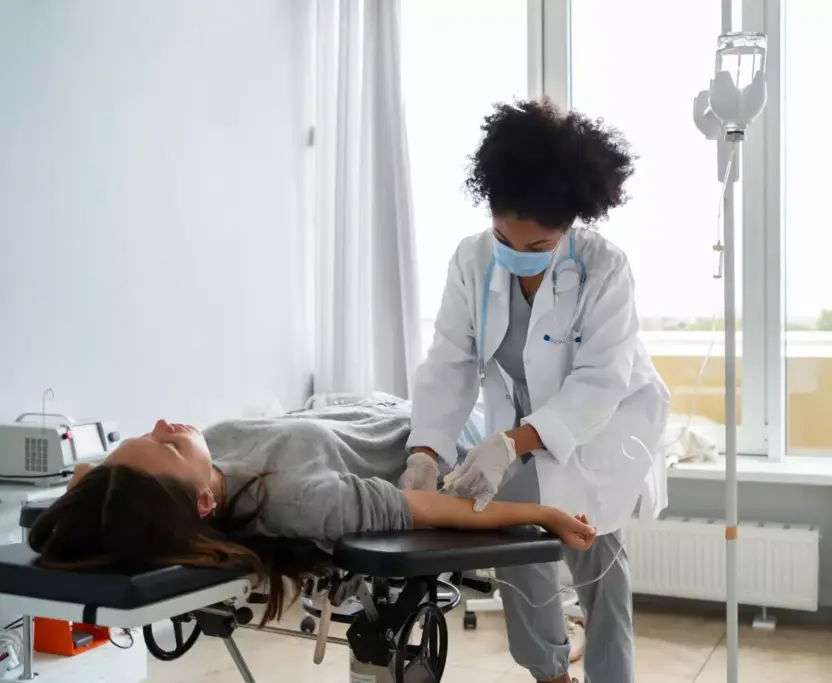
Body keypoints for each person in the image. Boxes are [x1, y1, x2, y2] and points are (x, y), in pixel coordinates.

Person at [400, 99, 671, 683]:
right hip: (519, 419)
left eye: (536, 247)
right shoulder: (472, 261)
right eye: (503, 237)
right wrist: (426, 451)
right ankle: (550, 674)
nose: (516, 256)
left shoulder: (606, 268)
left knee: (599, 556)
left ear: (571, 224)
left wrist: (512, 442)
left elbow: (600, 382)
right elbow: (448, 362)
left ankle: (612, 675)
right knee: (511, 530)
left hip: (602, 425)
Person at [29, 414, 597, 626]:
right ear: (203, 504)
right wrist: (544, 515)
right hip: (447, 438)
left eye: (151, 436)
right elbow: (430, 507)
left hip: (370, 406)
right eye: (168, 447)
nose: (162, 424)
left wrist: (88, 480)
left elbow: (92, 475)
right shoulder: (300, 501)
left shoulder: (195, 466)